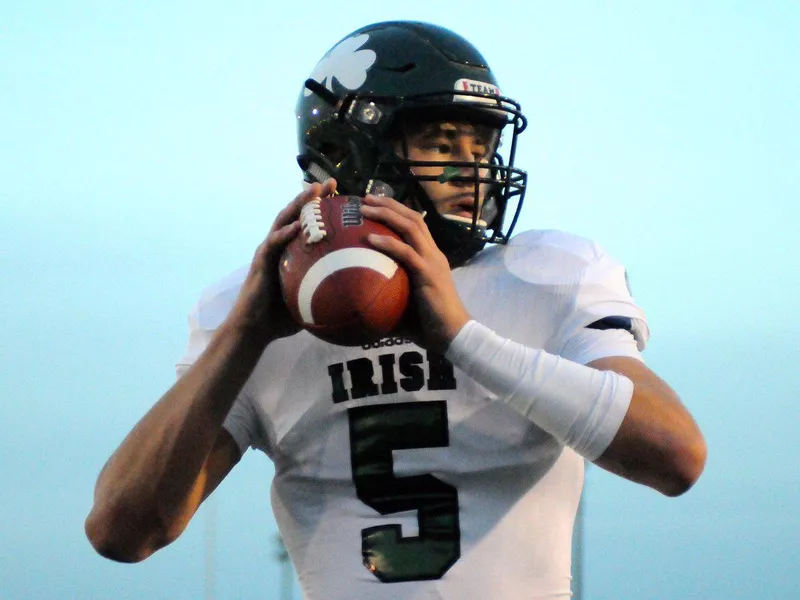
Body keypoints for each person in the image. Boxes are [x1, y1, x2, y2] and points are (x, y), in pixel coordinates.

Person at [85, 21, 707, 599]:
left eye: (482, 142)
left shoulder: (547, 273)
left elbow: (676, 457)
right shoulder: (261, 310)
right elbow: (123, 531)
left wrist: (462, 339)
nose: (476, 167)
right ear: (355, 153)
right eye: (443, 142)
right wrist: (243, 336)